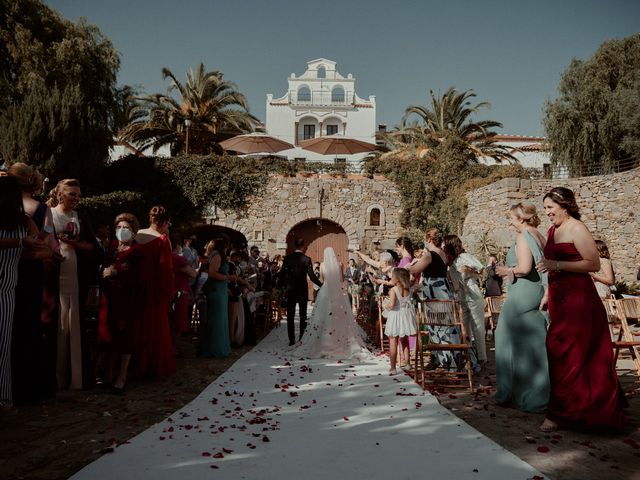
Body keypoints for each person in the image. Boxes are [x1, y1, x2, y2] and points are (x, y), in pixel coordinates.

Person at [536, 187, 626, 431]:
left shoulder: (577, 228)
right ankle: (567, 408)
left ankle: (563, 413)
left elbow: (593, 263)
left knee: (572, 351)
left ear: (564, 206)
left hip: (579, 298)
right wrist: (547, 293)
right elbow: (550, 267)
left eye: (550, 208)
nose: (547, 213)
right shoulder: (553, 230)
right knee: (557, 348)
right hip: (559, 298)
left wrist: (557, 263)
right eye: (545, 208)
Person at [7, 163, 58, 403]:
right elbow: (48, 249)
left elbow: (46, 248)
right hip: (29, 271)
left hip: (16, 269)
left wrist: (23, 253)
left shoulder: (14, 208)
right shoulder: (42, 209)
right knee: (27, 326)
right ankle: (25, 386)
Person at [494, 203, 550, 412]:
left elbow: (525, 268)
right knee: (534, 344)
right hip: (537, 292)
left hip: (523, 294)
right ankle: (537, 392)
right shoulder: (540, 235)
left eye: (511, 218)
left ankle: (509, 392)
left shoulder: (523, 235)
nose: (510, 222)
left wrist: (505, 271)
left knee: (504, 339)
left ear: (521, 218)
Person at [0, 176, 41, 407]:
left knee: (4, 346)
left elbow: (37, 247)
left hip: (7, 289)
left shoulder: (24, 221)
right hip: (7, 289)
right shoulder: (20, 229)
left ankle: (4, 398)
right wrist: (21, 243)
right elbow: (24, 244)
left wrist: (41, 249)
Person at [49, 179, 94, 390]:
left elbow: (91, 246)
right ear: (60, 194)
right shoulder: (49, 213)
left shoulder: (80, 217)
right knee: (57, 322)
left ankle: (75, 377)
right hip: (53, 271)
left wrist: (74, 243)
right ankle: (55, 377)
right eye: (72, 194)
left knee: (74, 321)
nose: (76, 198)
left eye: (78, 195)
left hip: (75, 271)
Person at [291, 247, 368, 359]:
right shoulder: (340, 264)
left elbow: (322, 279)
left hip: (326, 290)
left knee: (323, 314)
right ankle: (337, 337)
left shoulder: (322, 265)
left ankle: (324, 338)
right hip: (337, 290)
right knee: (338, 313)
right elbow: (341, 279)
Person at [99, 213, 143, 392]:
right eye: (118, 227)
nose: (121, 231)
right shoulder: (113, 249)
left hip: (127, 300)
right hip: (109, 298)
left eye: (126, 227)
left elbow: (139, 277)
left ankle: (122, 376)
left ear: (133, 230)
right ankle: (107, 374)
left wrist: (117, 273)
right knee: (109, 337)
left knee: (125, 338)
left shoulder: (137, 251)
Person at [133, 206, 176, 377]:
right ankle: (151, 364)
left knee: (137, 324)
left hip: (136, 285)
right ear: (164, 222)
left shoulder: (137, 234)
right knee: (155, 325)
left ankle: (134, 363)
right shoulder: (163, 240)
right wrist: (168, 292)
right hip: (155, 288)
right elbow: (166, 270)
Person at [443, 234, 487, 370]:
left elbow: (481, 269)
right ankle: (469, 356)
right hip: (460, 295)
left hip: (471, 291)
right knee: (464, 327)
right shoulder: (451, 261)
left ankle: (482, 357)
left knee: (478, 326)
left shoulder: (464, 257)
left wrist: (469, 270)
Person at [199, 237, 238, 358]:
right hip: (216, 291)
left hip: (221, 290)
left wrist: (226, 287)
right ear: (224, 246)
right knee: (217, 321)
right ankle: (215, 349)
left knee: (221, 320)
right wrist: (228, 278)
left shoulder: (217, 255)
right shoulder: (216, 255)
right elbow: (212, 273)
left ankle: (220, 348)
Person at [281, 238, 323, 346]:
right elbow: (312, 276)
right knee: (302, 315)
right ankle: (301, 338)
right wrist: (321, 285)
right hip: (302, 290)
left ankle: (291, 340)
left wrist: (283, 286)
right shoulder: (307, 259)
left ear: (295, 246)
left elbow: (282, 275)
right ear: (303, 246)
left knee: (290, 315)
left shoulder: (287, 258)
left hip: (291, 290)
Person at [383, 268, 417, 375]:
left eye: (392, 277)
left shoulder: (393, 290)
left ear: (397, 280)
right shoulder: (408, 289)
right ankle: (408, 363)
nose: (391, 278)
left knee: (393, 341)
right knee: (404, 340)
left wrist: (385, 305)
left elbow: (392, 304)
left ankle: (393, 367)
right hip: (405, 316)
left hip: (396, 316)